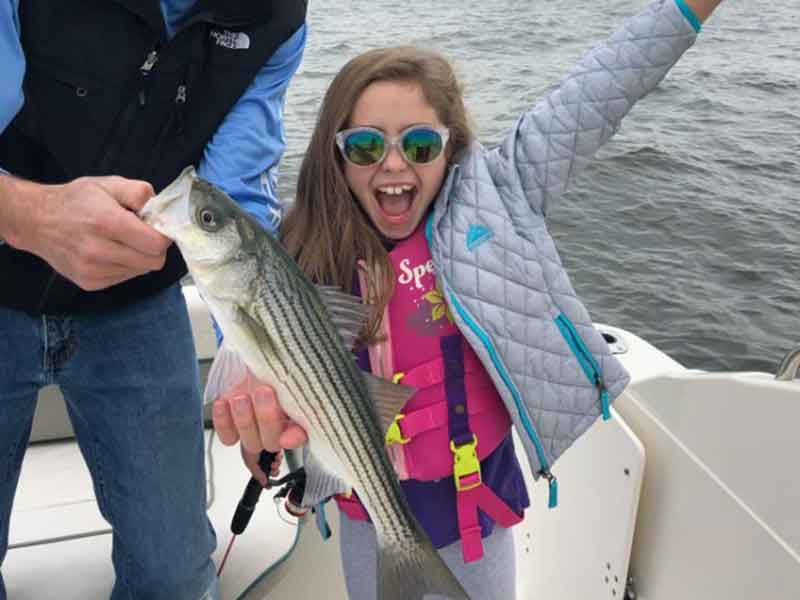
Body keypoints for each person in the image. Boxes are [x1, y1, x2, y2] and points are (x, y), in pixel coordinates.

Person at [211, 0, 722, 598]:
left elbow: (602, 89)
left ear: (451, 149)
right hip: (364, 513)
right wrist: (259, 427)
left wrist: (689, 9)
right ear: (337, 156)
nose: (395, 164)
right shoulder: (303, 250)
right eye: (367, 147)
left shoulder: (503, 196)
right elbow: (263, 364)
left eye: (421, 144)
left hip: (476, 510)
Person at [0, 1, 306, 599]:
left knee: (176, 579)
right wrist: (28, 215)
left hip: (137, 301)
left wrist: (255, 368)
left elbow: (235, 194)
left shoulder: (275, 18)